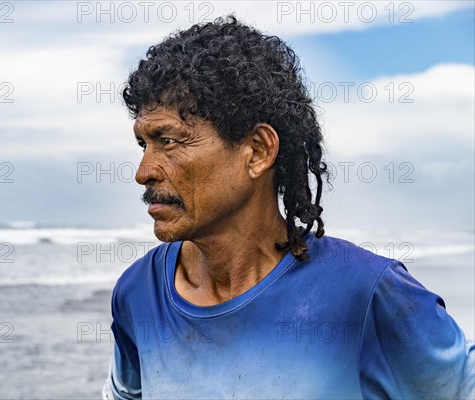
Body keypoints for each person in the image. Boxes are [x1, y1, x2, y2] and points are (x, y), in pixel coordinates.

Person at [102, 15, 474, 399]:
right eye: (143, 144)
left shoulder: (366, 295)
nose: (144, 172)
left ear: (258, 151)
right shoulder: (138, 293)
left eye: (168, 140)